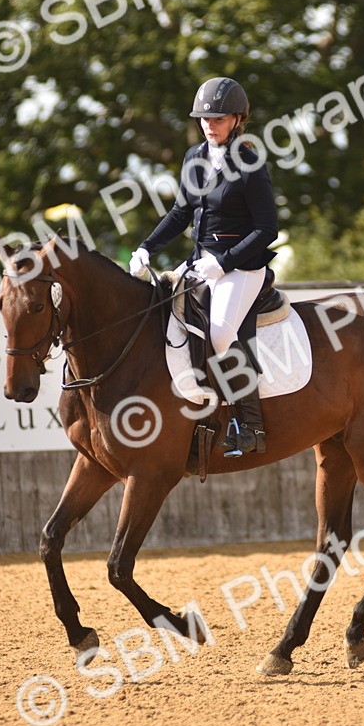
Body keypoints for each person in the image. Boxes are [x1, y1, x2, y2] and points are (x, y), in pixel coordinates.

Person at [130, 76, 279, 457]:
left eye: (217, 119)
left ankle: (249, 425)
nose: (209, 125)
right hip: (200, 263)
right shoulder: (194, 156)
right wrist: (147, 246)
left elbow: (266, 229)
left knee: (218, 334)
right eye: (203, 119)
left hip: (242, 267)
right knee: (164, 317)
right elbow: (182, 212)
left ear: (237, 119)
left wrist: (224, 263)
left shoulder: (249, 160)